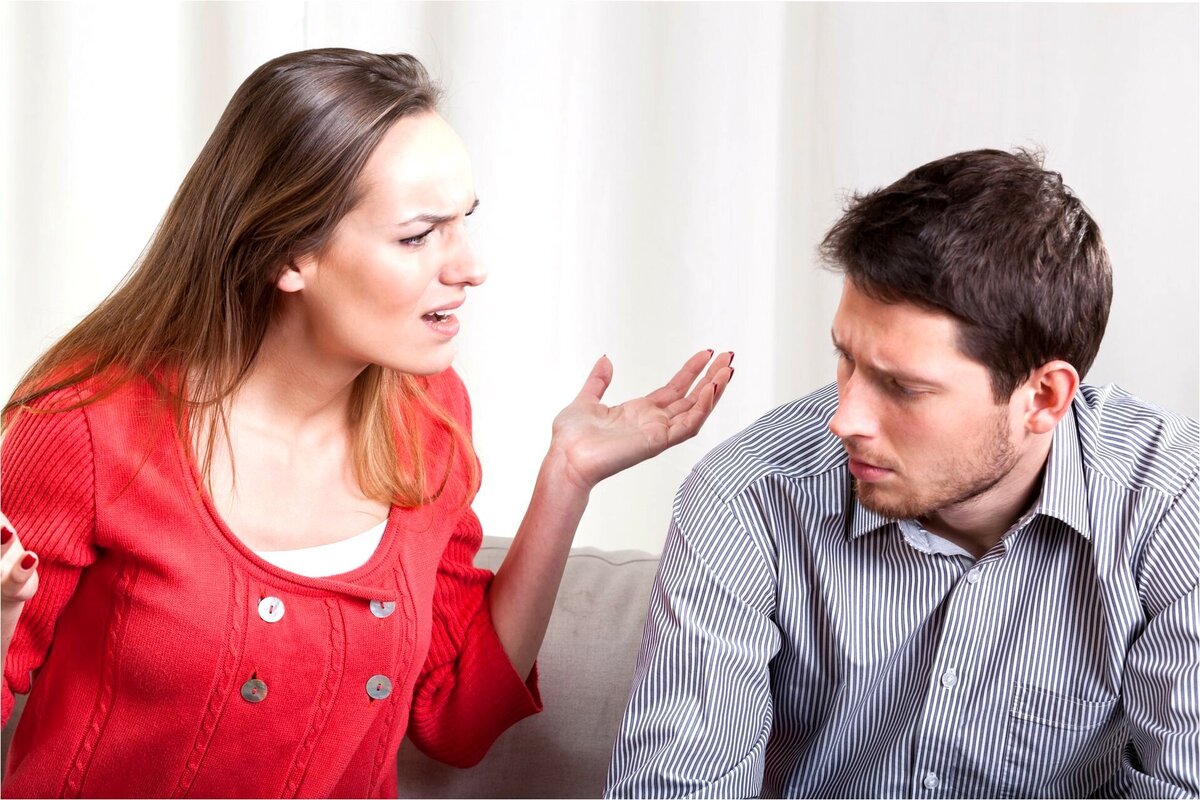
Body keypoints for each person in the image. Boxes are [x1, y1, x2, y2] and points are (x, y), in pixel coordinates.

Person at [0, 48, 733, 798]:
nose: (470, 267)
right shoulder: (83, 424)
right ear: (290, 254)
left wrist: (567, 477)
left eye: (464, 222)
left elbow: (458, 720)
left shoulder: (428, 419)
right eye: (418, 236)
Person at [605, 149, 1198, 798]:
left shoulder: (1172, 505)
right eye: (847, 359)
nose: (845, 419)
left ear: (1044, 397)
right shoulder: (748, 498)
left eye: (904, 387)